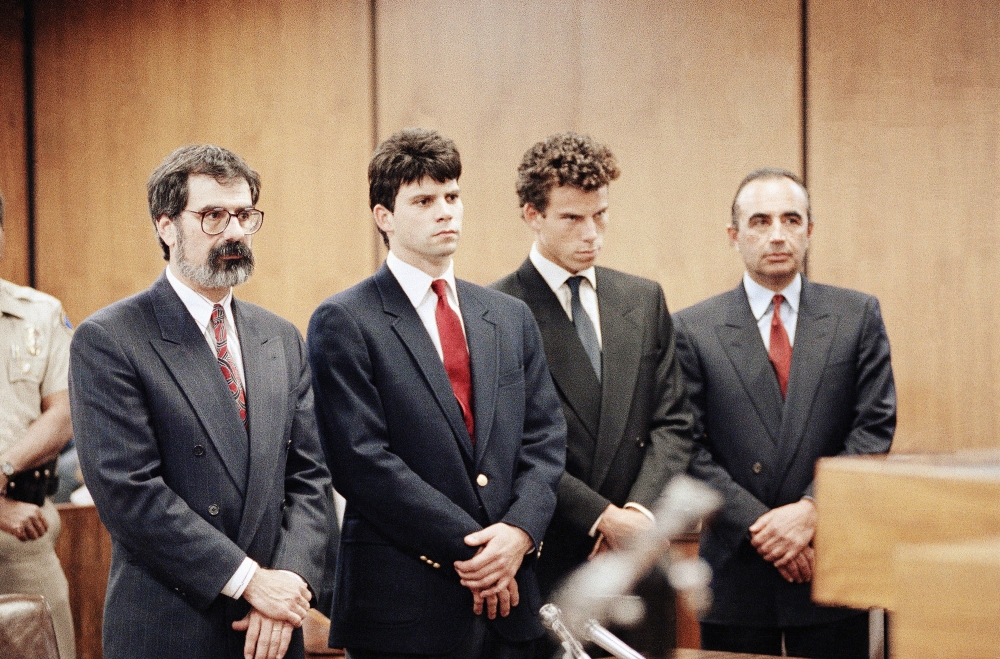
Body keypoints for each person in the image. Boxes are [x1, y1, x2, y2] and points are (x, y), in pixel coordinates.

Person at [308, 128, 566, 659]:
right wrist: (480, 552)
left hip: (512, 602)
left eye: (452, 196)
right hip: (405, 606)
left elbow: (545, 440)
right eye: (424, 201)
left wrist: (518, 533)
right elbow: (361, 462)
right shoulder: (344, 320)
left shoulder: (509, 317)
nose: (445, 212)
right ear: (385, 217)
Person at [69, 145, 331, 659]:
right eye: (212, 216)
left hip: (274, 627)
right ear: (166, 226)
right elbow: (130, 493)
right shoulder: (111, 338)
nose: (234, 232)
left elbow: (311, 477)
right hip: (174, 625)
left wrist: (289, 584)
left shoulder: (279, 337)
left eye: (244, 215)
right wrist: (251, 582)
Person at [673, 168, 896, 658]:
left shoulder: (856, 316)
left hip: (830, 561)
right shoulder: (692, 328)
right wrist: (766, 529)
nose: (777, 235)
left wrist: (811, 512)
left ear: (809, 230)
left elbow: (873, 429)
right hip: (737, 568)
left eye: (791, 220)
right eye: (760, 221)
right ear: (734, 235)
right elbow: (686, 446)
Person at [491, 132, 694, 656]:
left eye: (600, 215)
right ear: (532, 215)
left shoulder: (643, 298)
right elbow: (511, 447)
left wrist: (638, 517)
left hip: (639, 558)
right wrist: (602, 517)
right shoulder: (496, 312)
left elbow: (674, 422)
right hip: (554, 555)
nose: (592, 233)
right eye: (572, 218)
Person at [0, 189, 76, 658]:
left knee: (51, 647)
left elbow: (64, 414)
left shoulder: (40, 313)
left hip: (23, 534)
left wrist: (4, 468)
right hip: (6, 515)